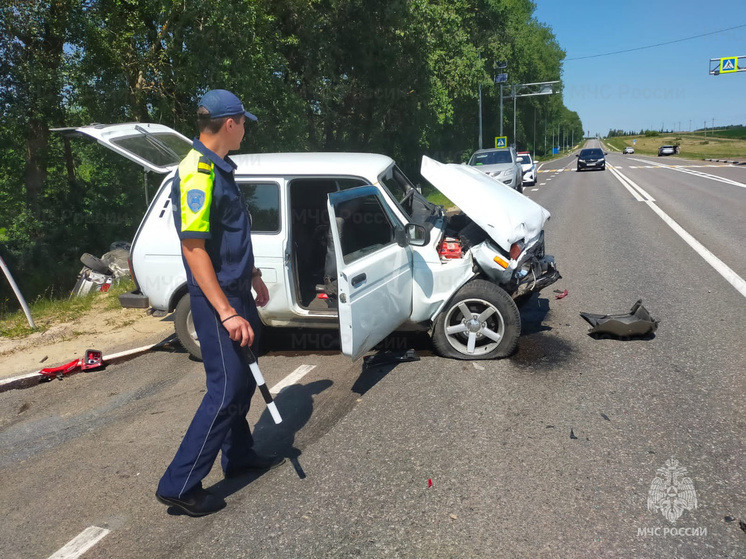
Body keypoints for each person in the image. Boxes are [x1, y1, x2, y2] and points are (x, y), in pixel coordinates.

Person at [156, 89, 284, 517]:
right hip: (216, 300)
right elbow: (194, 250)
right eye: (244, 122)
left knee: (245, 379)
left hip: (235, 289)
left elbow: (227, 236)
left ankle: (239, 454)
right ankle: (180, 483)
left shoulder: (219, 168)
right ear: (229, 124)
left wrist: (252, 275)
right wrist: (227, 311)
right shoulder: (196, 174)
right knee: (226, 389)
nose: (246, 128)